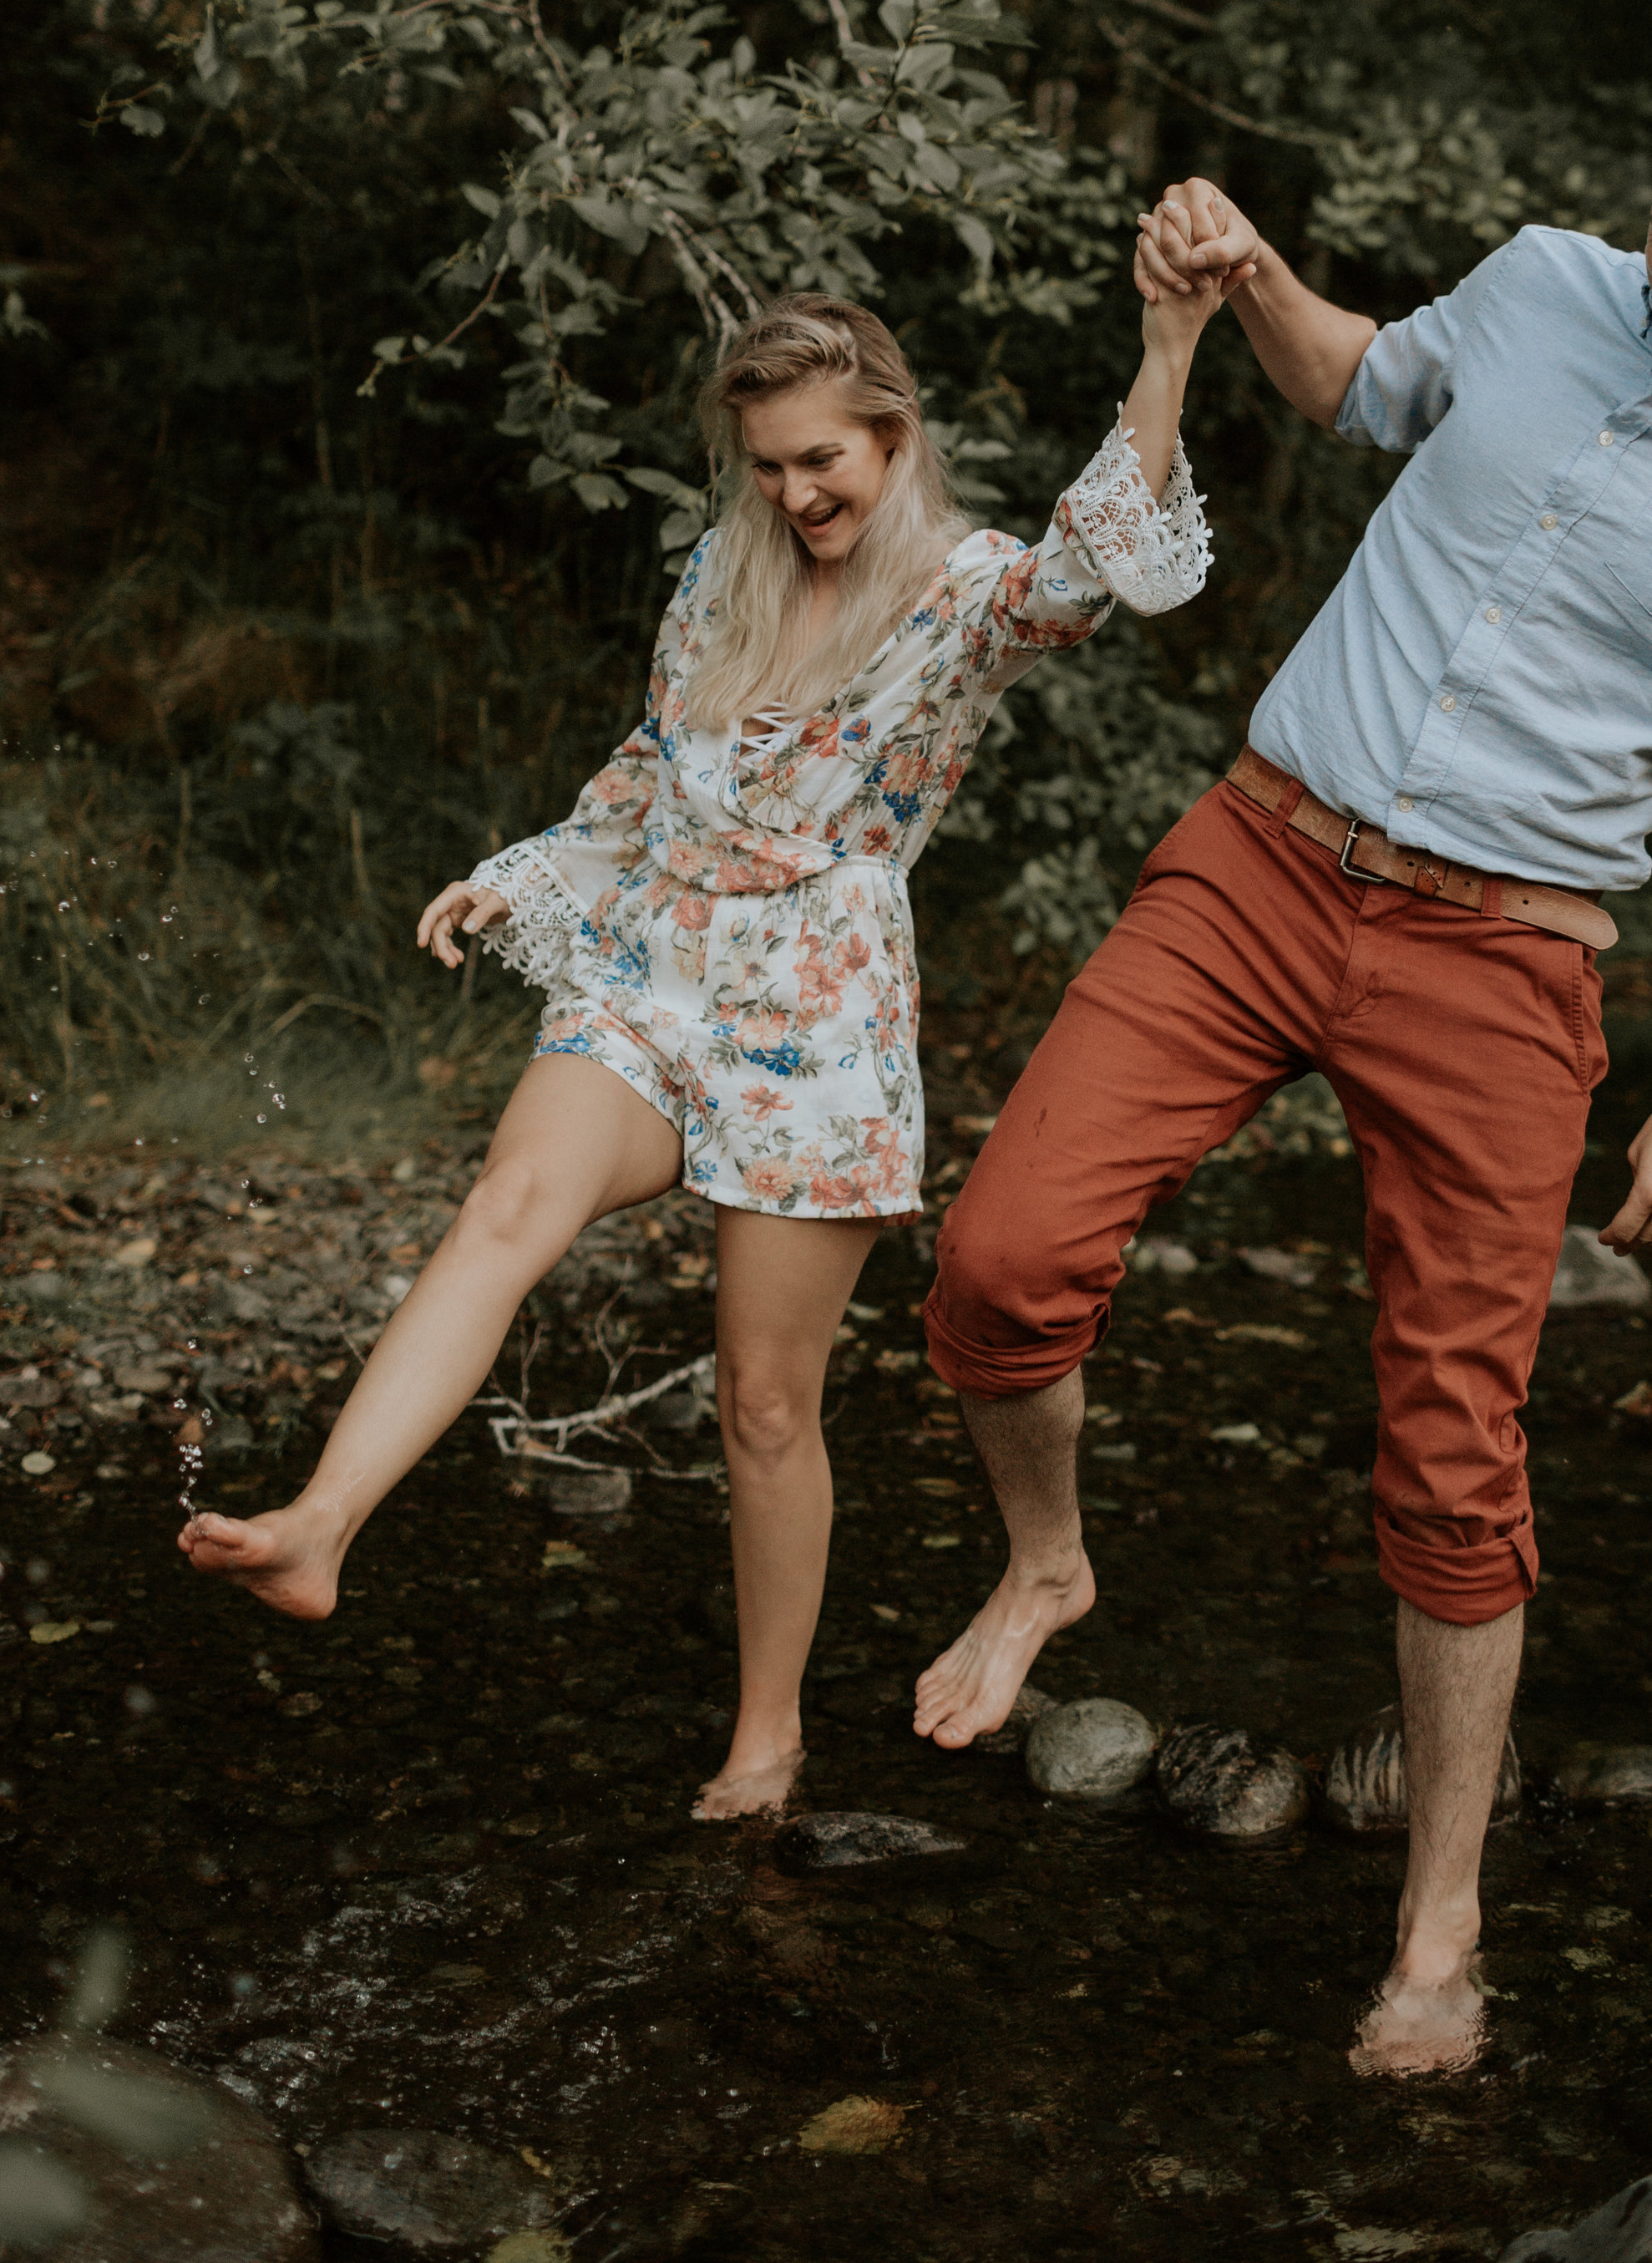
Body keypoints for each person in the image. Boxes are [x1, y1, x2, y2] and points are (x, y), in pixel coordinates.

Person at [910, 33, 1652, 2073]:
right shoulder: (1552, 282)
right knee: (999, 1265)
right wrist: (1244, 269)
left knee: (1453, 1463)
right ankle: (1047, 1563)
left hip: (1501, 968)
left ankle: (1438, 1925)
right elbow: (1355, 386)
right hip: (1261, 857)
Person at [177, 278, 1229, 1818]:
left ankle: (769, 1730)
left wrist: (1169, 343)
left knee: (764, 1403)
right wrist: (523, 870)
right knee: (507, 1205)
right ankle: (322, 1523)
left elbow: (1104, 559)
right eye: (769, 464)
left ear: (893, 432)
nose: (798, 492)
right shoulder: (718, 582)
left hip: (818, 1010)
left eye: (825, 461)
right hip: (654, 957)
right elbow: (646, 774)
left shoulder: (969, 589)